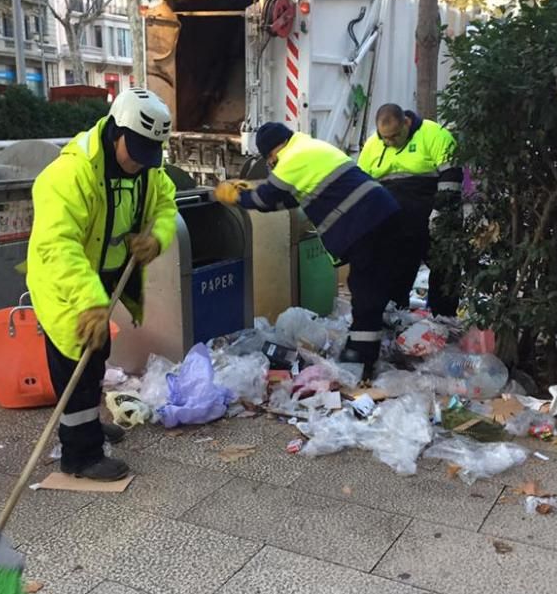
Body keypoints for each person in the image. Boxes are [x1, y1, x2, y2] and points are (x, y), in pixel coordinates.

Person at [27, 88, 179, 480]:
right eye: (138, 149)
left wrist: (157, 236)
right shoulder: (68, 175)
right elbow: (57, 246)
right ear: (116, 131)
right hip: (67, 284)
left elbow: (165, 204)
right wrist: (90, 302)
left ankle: (89, 427)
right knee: (75, 365)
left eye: (152, 152)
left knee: (97, 356)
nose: (141, 163)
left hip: (101, 280)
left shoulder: (147, 169)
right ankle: (81, 455)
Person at [214, 122, 400, 377]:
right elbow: (291, 198)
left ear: (271, 153)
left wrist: (237, 197)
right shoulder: (311, 147)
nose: (271, 165)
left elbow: (264, 199)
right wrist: (252, 191)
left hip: (366, 224)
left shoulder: (292, 158)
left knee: (365, 291)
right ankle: (369, 347)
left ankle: (360, 364)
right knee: (372, 287)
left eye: (269, 160)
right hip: (383, 214)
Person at [358, 103, 463, 316]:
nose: (389, 142)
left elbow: (452, 175)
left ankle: (443, 319)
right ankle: (398, 320)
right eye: (384, 137)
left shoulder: (433, 134)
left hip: (432, 219)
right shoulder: (373, 145)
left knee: (444, 272)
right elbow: (362, 184)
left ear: (406, 122)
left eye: (395, 136)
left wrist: (441, 212)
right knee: (396, 275)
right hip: (395, 225)